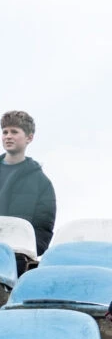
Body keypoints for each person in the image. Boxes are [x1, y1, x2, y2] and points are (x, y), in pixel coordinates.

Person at [0, 110, 56, 271]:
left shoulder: (42, 183)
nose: (8, 136)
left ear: (29, 138)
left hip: (16, 261)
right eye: (5, 132)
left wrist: (25, 251)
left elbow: (43, 228)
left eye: (14, 132)